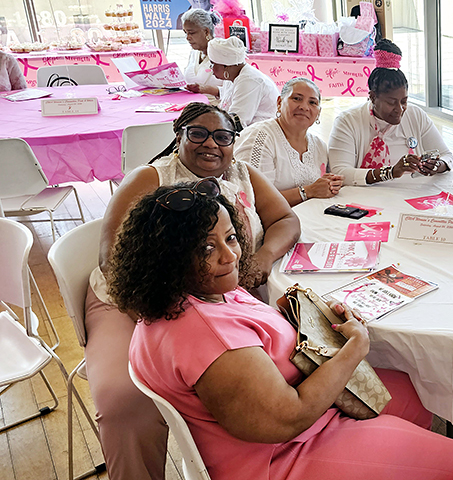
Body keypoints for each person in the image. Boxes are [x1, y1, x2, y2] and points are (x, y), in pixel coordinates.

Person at [106, 183, 453, 480]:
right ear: (168, 258)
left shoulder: (191, 295)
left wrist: (308, 317)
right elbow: (288, 417)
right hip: (281, 455)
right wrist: (355, 348)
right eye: (205, 247)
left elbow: (252, 335)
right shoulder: (207, 336)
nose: (229, 256)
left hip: (291, 419)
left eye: (230, 238)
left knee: (414, 394)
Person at [84, 102, 300, 480]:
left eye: (223, 136)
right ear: (178, 136)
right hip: (131, 301)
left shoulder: (243, 173)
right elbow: (112, 260)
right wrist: (177, 320)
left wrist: (263, 257)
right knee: (127, 402)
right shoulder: (151, 178)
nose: (211, 144)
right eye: (198, 133)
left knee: (259, 378)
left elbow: (285, 219)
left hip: (218, 299)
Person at [328, 39, 453, 185]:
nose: (399, 109)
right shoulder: (348, 121)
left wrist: (436, 166)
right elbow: (340, 173)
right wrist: (391, 172)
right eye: (391, 102)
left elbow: (447, 156)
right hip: (366, 195)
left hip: (414, 192)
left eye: (404, 101)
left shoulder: (415, 115)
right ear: (373, 97)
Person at [235, 77, 343, 206]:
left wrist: (331, 184)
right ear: (279, 103)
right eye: (296, 98)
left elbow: (321, 187)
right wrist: (307, 192)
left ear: (318, 112)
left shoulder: (319, 146)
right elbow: (252, 199)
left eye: (312, 102)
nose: (304, 107)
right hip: (270, 219)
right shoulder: (259, 138)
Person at [207, 36, 279, 127]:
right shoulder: (232, 75)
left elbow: (236, 122)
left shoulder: (249, 81)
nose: (211, 68)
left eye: (212, 64)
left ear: (225, 66)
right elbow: (230, 96)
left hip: (262, 130)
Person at [180, 8, 223, 100]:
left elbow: (235, 90)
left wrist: (209, 90)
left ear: (206, 32)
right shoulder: (194, 53)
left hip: (217, 105)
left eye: (191, 33)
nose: (187, 38)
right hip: (193, 104)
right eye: (186, 33)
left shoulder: (223, 52)